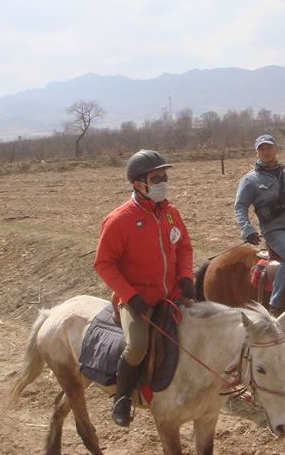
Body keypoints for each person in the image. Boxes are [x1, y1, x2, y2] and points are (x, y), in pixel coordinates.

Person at [94, 149, 195, 427]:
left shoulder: (171, 213)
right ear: (139, 183)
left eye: (165, 175)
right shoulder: (119, 220)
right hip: (138, 301)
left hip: (173, 295)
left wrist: (186, 276)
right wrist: (131, 297)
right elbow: (104, 264)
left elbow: (184, 246)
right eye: (157, 177)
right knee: (137, 347)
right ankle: (122, 397)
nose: (164, 180)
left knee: (203, 329)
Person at [234, 134, 285, 317]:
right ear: (256, 153)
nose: (266, 151)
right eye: (261, 148)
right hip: (274, 230)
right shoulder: (250, 180)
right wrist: (247, 229)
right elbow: (240, 207)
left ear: (276, 149)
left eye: (268, 147)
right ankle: (276, 303)